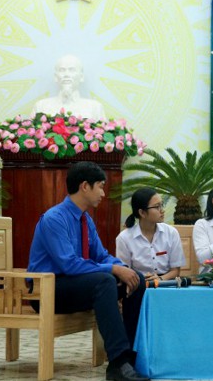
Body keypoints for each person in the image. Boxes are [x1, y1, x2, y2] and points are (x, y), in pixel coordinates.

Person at [27, 161, 149, 381]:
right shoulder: (54, 219)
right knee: (104, 281)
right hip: (47, 290)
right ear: (85, 186)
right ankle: (118, 363)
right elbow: (69, 264)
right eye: (100, 186)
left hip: (76, 285)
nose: (103, 193)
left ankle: (130, 358)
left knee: (136, 279)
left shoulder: (85, 220)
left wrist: (123, 269)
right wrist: (113, 269)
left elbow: (101, 255)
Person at [116, 187, 186, 282]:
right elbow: (124, 272)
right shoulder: (124, 238)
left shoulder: (171, 233)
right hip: (138, 283)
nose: (162, 210)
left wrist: (159, 279)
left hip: (165, 283)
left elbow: (176, 271)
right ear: (142, 213)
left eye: (162, 205)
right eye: (157, 207)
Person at [33, 54, 107, 121]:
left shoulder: (95, 108)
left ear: (81, 77)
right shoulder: (41, 106)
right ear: (55, 77)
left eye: (72, 70)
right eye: (62, 70)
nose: (66, 74)